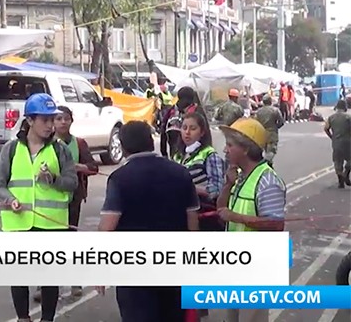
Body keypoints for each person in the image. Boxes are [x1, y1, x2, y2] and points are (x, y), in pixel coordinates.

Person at [98, 121, 199, 322]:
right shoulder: (180, 172)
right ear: (150, 142)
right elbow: (193, 224)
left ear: (124, 146)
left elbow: (107, 227)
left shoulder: (120, 178)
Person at [0, 93, 77, 322]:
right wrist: (10, 200)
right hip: (18, 224)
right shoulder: (10, 149)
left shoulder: (61, 150)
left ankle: (47, 319)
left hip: (50, 225)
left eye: (53, 120)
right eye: (45, 120)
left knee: (49, 277)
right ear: (30, 120)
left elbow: (72, 183)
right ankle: (23, 317)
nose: (51, 126)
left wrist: (53, 180)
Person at [216, 117, 286, 322]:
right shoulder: (240, 177)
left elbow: (276, 224)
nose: (225, 150)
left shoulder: (267, 181)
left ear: (246, 149)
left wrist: (236, 216)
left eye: (230, 145)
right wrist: (228, 185)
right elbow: (222, 209)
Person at [31, 105, 97, 302]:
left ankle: (74, 281)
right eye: (57, 118)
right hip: (48, 199)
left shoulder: (79, 143)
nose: (61, 122)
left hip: (72, 198)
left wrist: (77, 167)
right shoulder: (42, 143)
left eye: (65, 118)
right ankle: (45, 286)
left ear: (71, 121)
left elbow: (93, 167)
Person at [174, 112, 225, 232]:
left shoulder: (210, 155)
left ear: (202, 132)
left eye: (193, 129)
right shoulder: (178, 155)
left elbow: (217, 189)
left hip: (203, 216)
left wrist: (191, 188)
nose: (187, 132)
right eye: (184, 128)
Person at [160, 86, 203, 158]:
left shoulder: (172, 110)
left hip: (174, 151)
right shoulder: (197, 110)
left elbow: (163, 130)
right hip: (194, 153)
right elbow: (205, 131)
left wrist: (164, 152)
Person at [323, 99, 351, 189]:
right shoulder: (348, 118)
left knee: (338, 162)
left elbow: (326, 129)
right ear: (345, 107)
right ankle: (346, 173)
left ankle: (340, 182)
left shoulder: (331, 118)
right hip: (348, 143)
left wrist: (332, 137)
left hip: (336, 143)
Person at [254, 94, 284, 167]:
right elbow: (281, 122)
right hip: (272, 133)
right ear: (270, 101)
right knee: (271, 151)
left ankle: (267, 163)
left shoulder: (259, 111)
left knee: (263, 150)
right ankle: (266, 163)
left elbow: (255, 122)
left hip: (261, 133)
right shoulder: (275, 110)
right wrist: (275, 127)